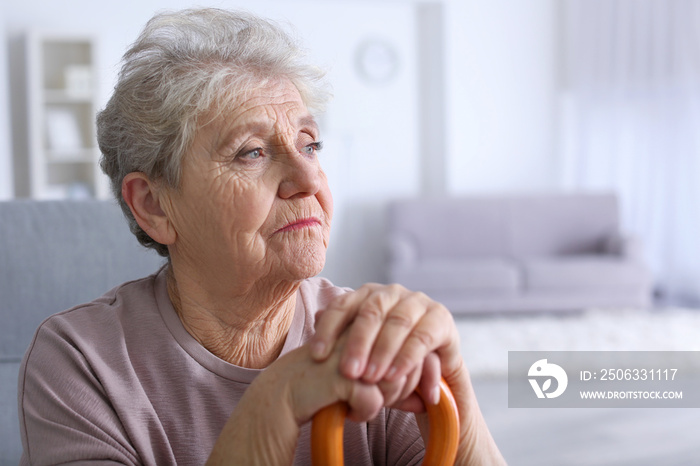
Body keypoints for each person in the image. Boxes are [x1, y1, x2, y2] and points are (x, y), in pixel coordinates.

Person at [18, 8, 505, 465]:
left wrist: (457, 391)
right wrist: (273, 406)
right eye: (251, 153)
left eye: (309, 144)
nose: (309, 180)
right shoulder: (81, 361)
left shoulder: (367, 341)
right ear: (154, 204)